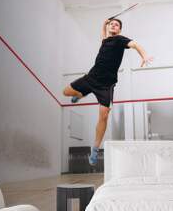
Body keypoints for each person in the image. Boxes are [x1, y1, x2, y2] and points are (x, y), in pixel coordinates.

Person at [63, 18, 152, 165]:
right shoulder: (105, 40)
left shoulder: (119, 40)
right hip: (91, 78)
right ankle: (80, 94)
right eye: (112, 24)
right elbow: (103, 33)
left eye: (116, 25)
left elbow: (135, 44)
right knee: (66, 92)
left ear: (119, 30)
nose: (114, 26)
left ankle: (95, 149)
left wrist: (144, 55)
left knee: (103, 116)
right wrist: (104, 23)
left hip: (106, 85)